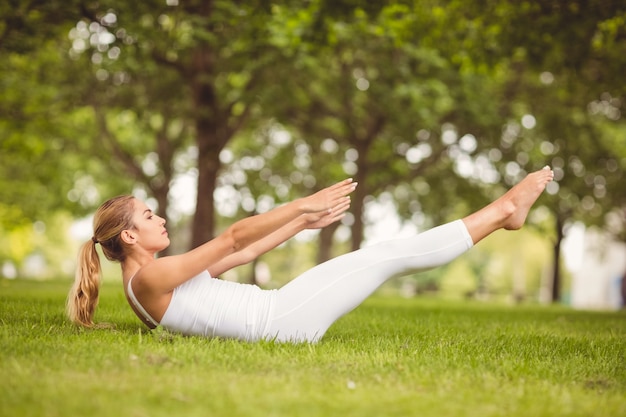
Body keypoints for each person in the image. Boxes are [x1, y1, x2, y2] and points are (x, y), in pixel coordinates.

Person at [67, 167, 555, 343]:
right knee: (385, 255)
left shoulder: (158, 278)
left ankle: (502, 213)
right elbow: (235, 237)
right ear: (128, 237)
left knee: (384, 254)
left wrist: (303, 223)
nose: (160, 220)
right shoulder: (150, 281)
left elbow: (245, 252)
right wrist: (302, 202)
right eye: (148, 217)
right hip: (280, 321)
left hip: (282, 311)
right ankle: (505, 211)